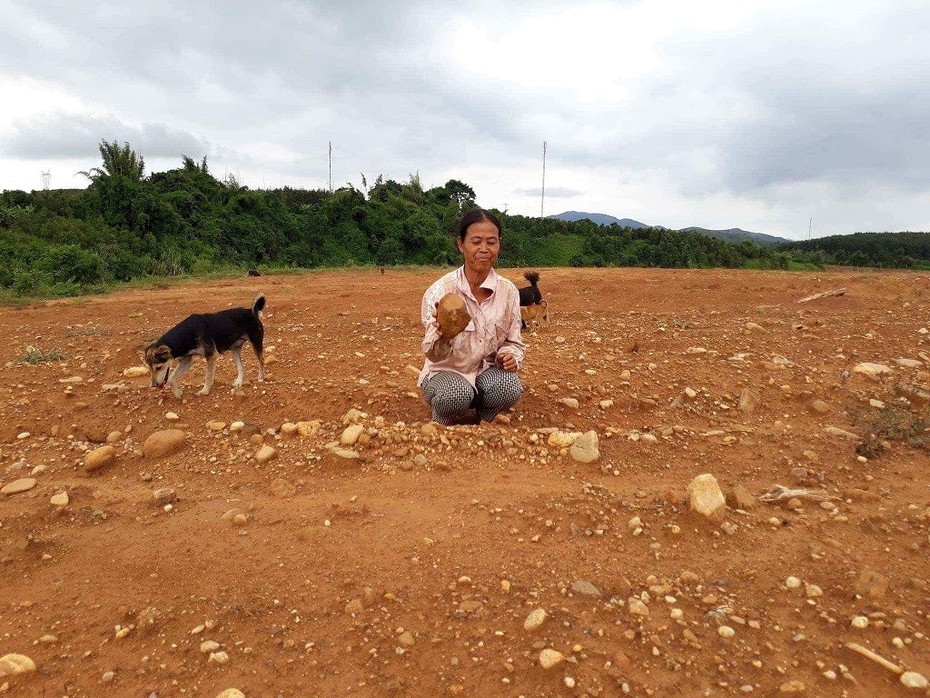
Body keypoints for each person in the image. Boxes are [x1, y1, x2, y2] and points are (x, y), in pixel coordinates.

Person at [418, 208, 525, 425]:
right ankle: (443, 420)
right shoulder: (440, 291)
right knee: (455, 394)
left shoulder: (508, 291)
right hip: (445, 373)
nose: (484, 249)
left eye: (491, 242)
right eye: (476, 241)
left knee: (510, 387)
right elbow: (432, 353)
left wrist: (510, 356)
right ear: (461, 244)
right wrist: (444, 335)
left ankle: (484, 420)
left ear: (499, 244)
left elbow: (514, 342)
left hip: (485, 373)